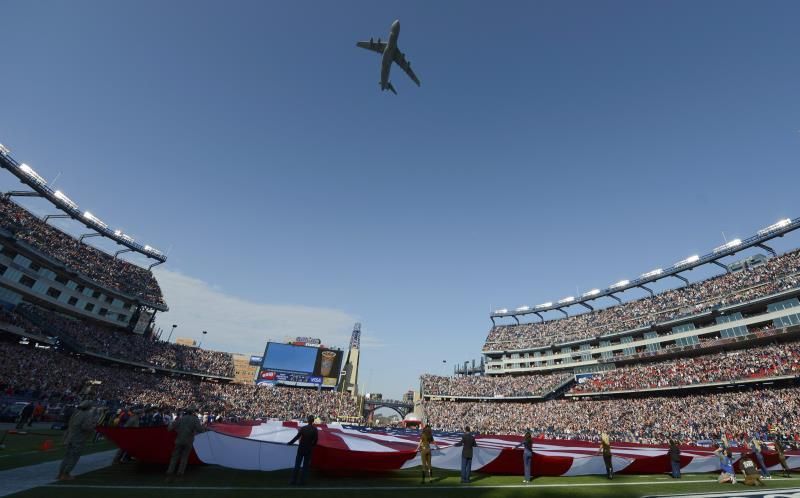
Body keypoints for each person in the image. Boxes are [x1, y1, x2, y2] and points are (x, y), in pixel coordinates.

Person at [57, 400, 98, 480]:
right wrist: (93, 426)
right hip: (78, 438)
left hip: (70, 437)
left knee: (67, 456)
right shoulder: (87, 415)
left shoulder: (76, 413)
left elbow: (70, 424)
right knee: (74, 457)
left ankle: (60, 473)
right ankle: (66, 474)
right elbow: (85, 427)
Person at [166, 406, 205, 478]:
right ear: (193, 412)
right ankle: (180, 472)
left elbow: (170, 428)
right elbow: (200, 430)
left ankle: (170, 471)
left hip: (179, 440)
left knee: (174, 457)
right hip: (188, 440)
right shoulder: (195, 419)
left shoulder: (181, 419)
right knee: (184, 457)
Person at [287, 415, 318, 485]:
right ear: (313, 421)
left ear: (308, 420)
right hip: (308, 449)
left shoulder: (303, 428)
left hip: (301, 449)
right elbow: (316, 440)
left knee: (297, 465)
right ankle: (302, 481)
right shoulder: (314, 430)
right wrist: (312, 446)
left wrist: (290, 443)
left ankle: (293, 480)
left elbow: (297, 437)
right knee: (305, 466)